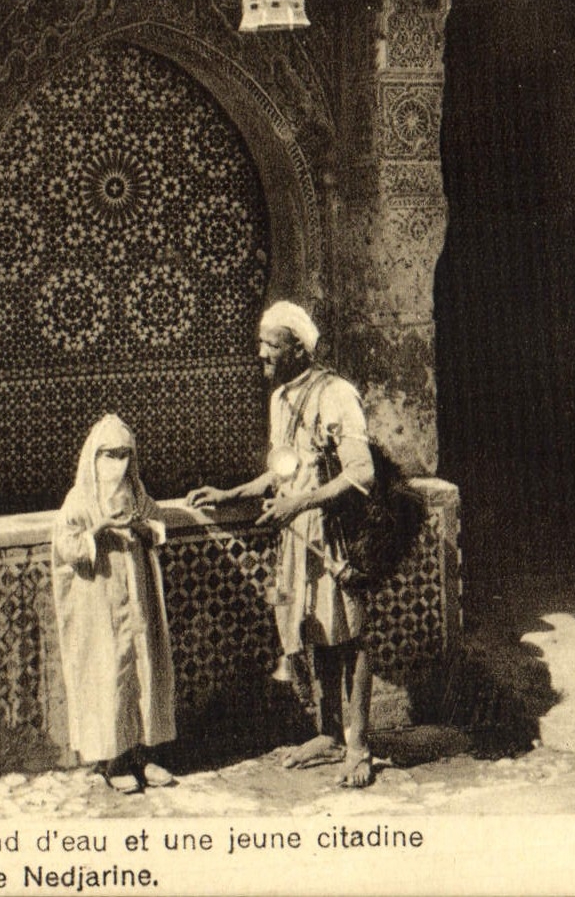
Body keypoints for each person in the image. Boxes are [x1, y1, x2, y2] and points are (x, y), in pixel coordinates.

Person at [187, 300, 377, 787]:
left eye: (271, 344)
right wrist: (231, 494)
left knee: (352, 636)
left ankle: (359, 746)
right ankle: (329, 733)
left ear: (298, 349)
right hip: (298, 533)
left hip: (334, 533)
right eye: (261, 343)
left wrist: (301, 504)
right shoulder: (280, 401)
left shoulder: (336, 394)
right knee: (317, 629)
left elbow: (361, 473)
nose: (261, 353)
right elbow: (282, 471)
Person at [52, 413, 177, 793]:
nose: (118, 463)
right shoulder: (79, 499)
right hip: (100, 603)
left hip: (137, 600)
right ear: (95, 456)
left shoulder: (136, 493)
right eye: (110, 454)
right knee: (110, 674)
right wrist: (100, 529)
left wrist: (143, 527)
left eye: (124, 454)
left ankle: (145, 754)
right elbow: (67, 546)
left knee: (143, 669)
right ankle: (114, 760)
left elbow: (157, 526)